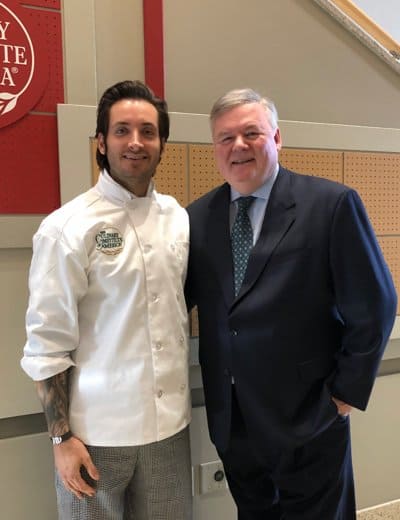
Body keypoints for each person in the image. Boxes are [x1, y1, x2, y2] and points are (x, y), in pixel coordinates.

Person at [185, 87, 397, 519]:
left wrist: (345, 394)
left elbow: (376, 302)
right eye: (226, 138)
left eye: (251, 133)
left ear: (277, 138)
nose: (238, 146)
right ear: (215, 148)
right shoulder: (196, 218)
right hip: (234, 422)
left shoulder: (331, 204)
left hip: (311, 415)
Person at [21, 80, 192, 520]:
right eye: (121, 131)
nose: (135, 142)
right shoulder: (68, 228)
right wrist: (61, 439)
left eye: (148, 132)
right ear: (101, 141)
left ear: (161, 144)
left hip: (170, 428)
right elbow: (47, 342)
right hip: (94, 435)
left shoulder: (178, 218)